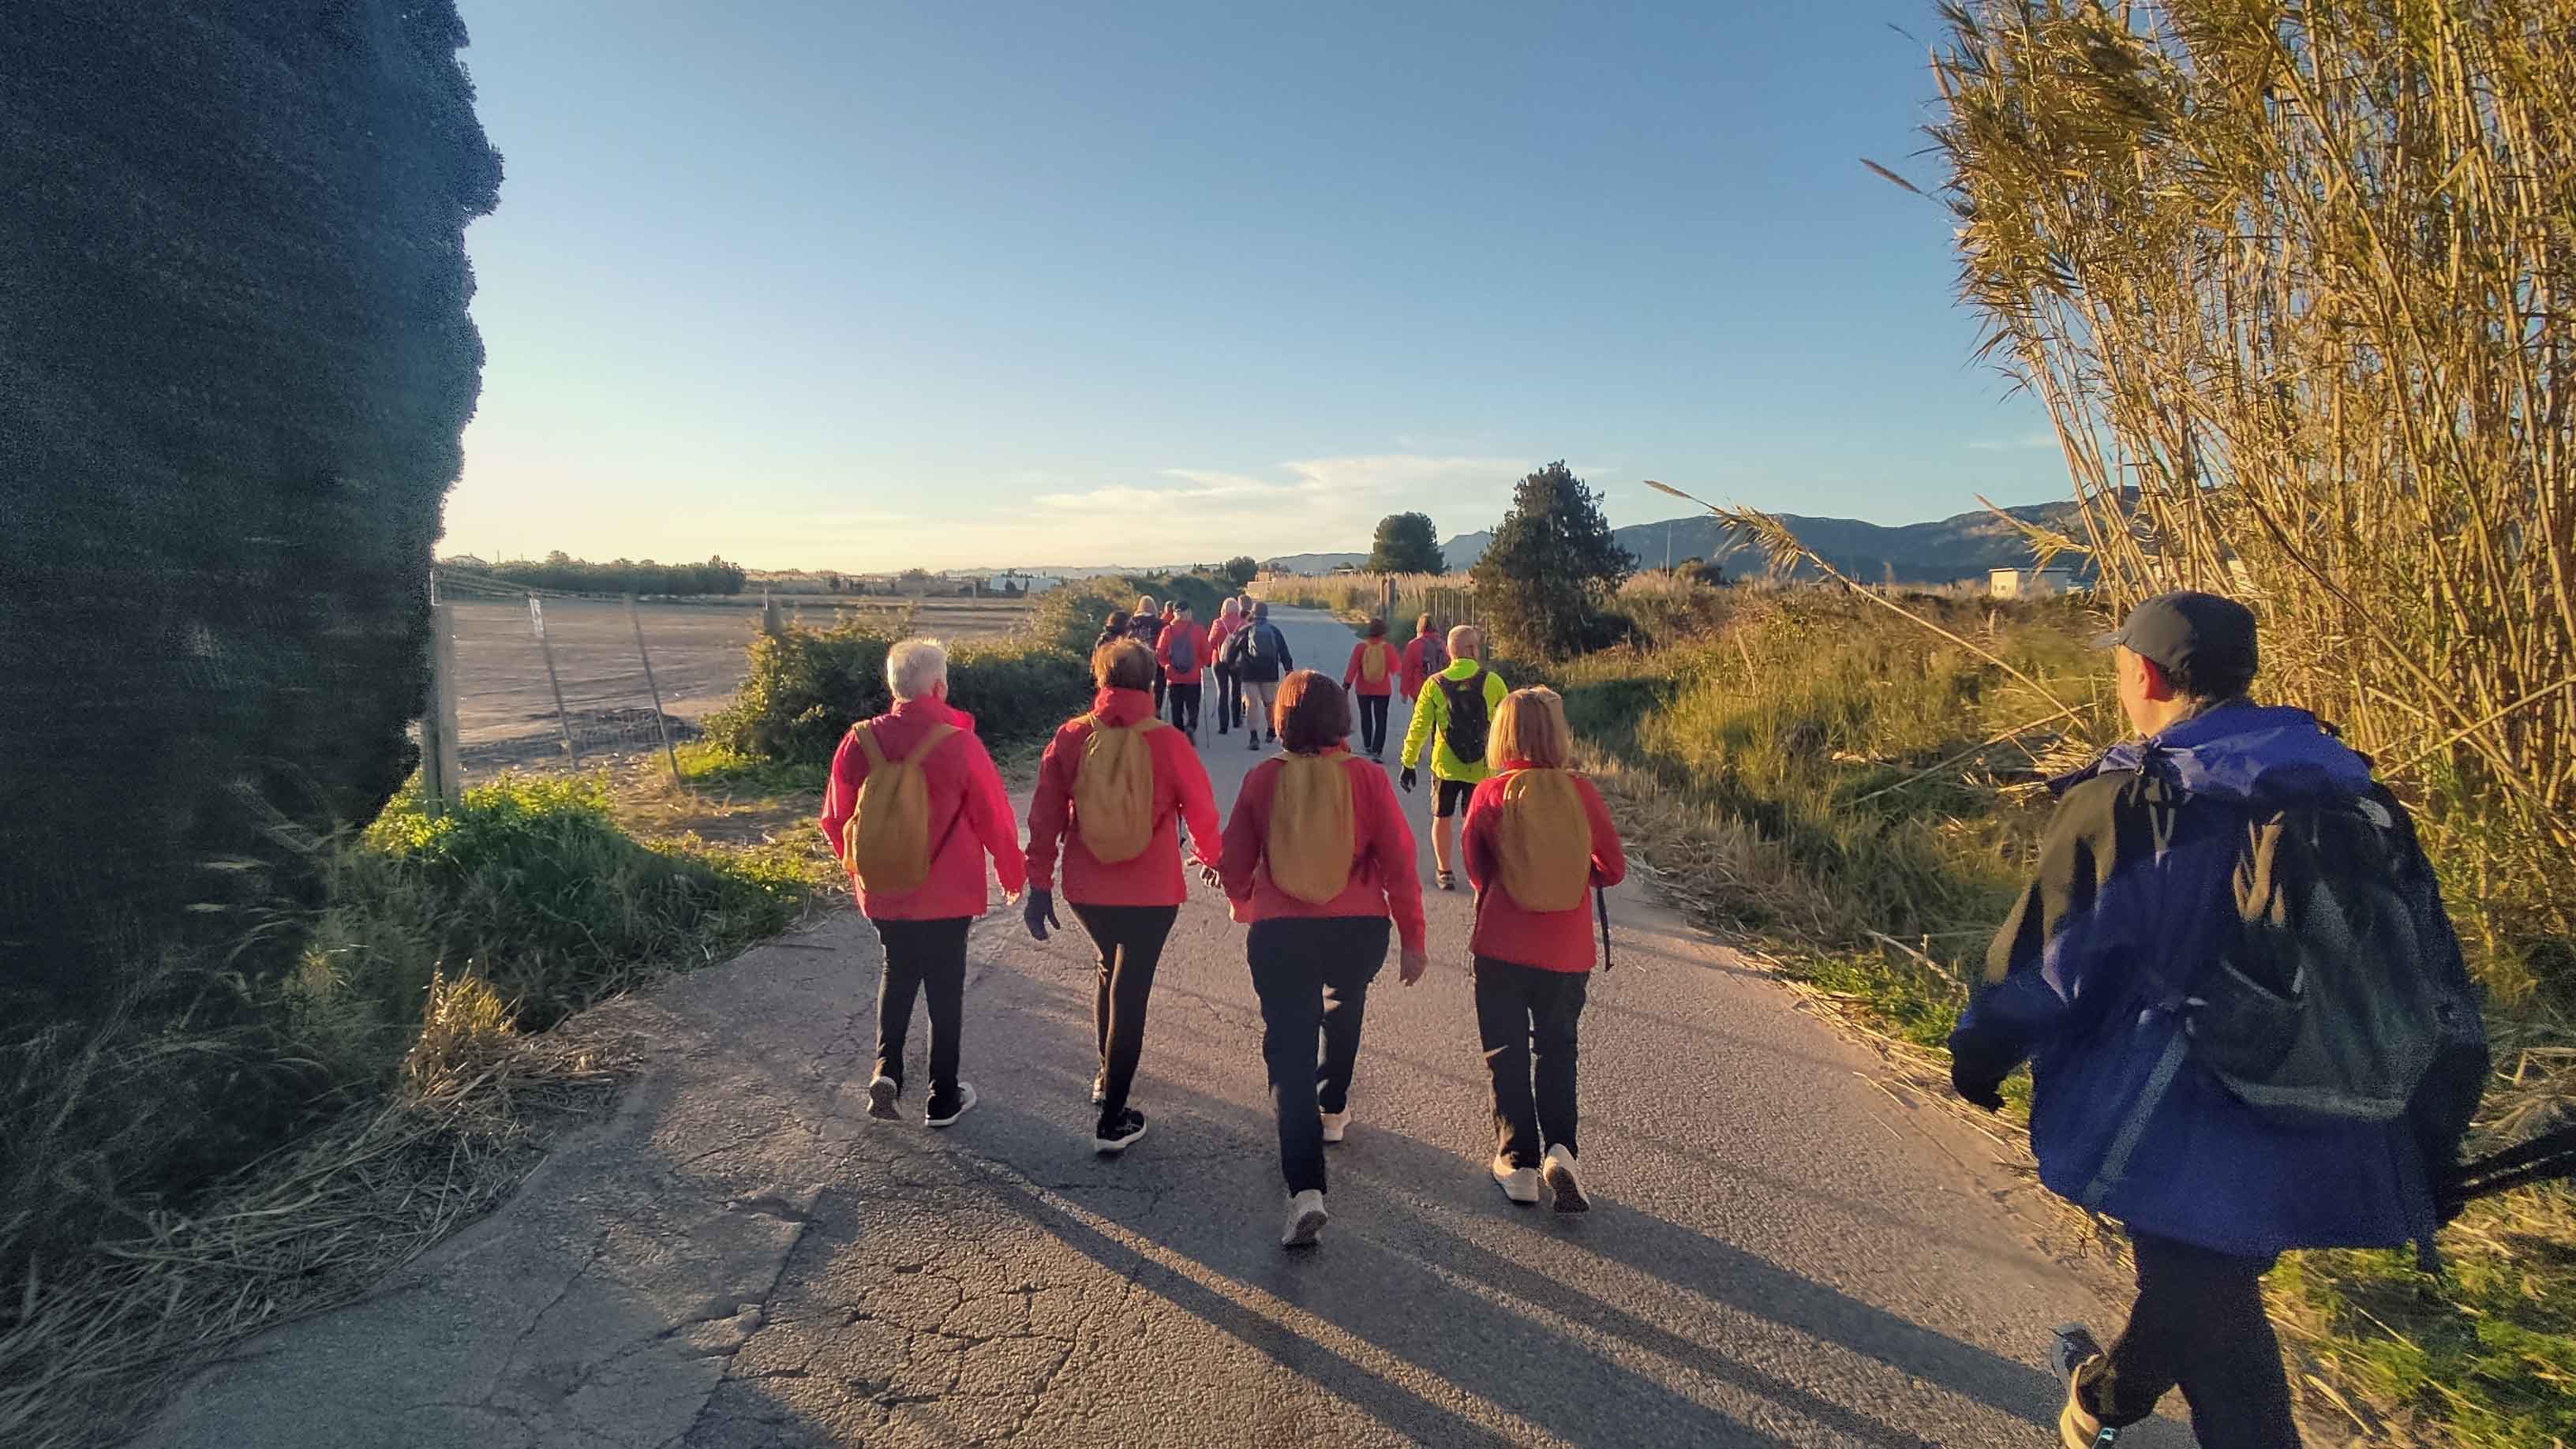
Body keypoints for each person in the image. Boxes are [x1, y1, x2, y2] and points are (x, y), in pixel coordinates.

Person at [1947, 592, 2486, 1449]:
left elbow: (2051, 960)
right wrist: (2439, 1120)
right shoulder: (2352, 788)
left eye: (2122, 666)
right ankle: (2102, 1400)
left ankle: (2102, 1402)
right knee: (2207, 1288)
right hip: (2341, 1104)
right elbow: (2432, 965)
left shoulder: (2134, 798)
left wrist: (1981, 1054)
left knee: (2210, 1304)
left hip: (2185, 1114)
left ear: (2147, 675)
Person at [1220, 672, 1428, 1247]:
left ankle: (1305, 1189)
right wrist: (1413, 939)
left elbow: (1234, 862)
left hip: (1281, 932)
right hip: (1359, 931)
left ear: (1282, 720)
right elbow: (1400, 863)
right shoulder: (1368, 778)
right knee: (1346, 1001)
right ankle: (1333, 1107)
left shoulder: (1263, 779)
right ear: (1342, 718)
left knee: (1288, 1052)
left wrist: (1243, 902)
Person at [819, 638, 1027, 1129]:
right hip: (947, 893)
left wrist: (861, 866)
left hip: (881, 889)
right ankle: (942, 1097)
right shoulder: (959, 743)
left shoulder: (859, 740)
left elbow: (834, 817)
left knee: (896, 972)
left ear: (895, 686)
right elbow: (995, 818)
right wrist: (1011, 872)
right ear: (938, 687)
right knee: (944, 989)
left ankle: (886, 1071)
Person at [1023, 640, 1221, 1155]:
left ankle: (1105, 1074)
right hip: (1152, 890)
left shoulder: (1070, 736)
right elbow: (1202, 811)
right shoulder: (1168, 742)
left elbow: (1044, 817)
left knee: (1108, 970)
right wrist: (1212, 859)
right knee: (1130, 991)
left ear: (1100, 681)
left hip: (1087, 888)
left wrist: (1039, 884)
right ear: (1152, 683)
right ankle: (1113, 1119)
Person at [1460, 687, 1625, 1212]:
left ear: (1502, 734)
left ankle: (1518, 1162)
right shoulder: (1582, 792)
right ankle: (1561, 1150)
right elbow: (1613, 868)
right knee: (1557, 1050)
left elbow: (1476, 867)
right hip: (1567, 950)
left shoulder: (1490, 793)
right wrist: (1573, 875)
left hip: (1501, 943)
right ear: (1558, 734)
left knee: (1505, 1053)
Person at [1397, 624, 1508, 891]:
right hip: (1481, 767)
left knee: (1442, 818)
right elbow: (1508, 725)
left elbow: (1419, 727)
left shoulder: (1434, 684)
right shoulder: (1493, 682)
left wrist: (1408, 762)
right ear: (1473, 650)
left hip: (1445, 766)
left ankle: (1444, 871)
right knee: (1476, 822)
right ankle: (1478, 873)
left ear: (1449, 652)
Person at [1222, 601, 1294, 750]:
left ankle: (1254, 737)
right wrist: (1289, 669)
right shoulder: (1274, 631)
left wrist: (1230, 665)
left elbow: (1232, 651)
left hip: (1250, 673)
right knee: (1270, 703)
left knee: (1252, 703)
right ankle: (1271, 731)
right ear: (1266, 614)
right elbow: (1284, 651)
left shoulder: (1245, 630)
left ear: (1252, 613)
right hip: (1270, 672)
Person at [1341, 617, 1401, 761]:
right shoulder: (1388, 649)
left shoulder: (1360, 648)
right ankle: (1377, 750)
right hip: (1383, 690)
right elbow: (1396, 669)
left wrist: (1347, 684)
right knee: (1381, 720)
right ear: (1383, 633)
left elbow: (1352, 668)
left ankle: (1367, 745)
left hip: (1363, 689)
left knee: (1366, 717)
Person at [1156, 601, 1210, 744]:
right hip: (1193, 676)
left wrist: (1167, 665)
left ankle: (1179, 735)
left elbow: (1160, 653)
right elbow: (1206, 653)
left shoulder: (1167, 631)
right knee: (1193, 705)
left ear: (1174, 613)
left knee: (1176, 707)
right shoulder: (1198, 630)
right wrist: (1201, 664)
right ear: (1189, 612)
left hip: (1174, 676)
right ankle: (1191, 726)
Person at [1207, 597, 1247, 738]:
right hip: (1237, 662)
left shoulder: (1218, 623)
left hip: (1219, 660)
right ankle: (1236, 720)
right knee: (1236, 690)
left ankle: (1223, 726)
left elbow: (1211, 642)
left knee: (1222, 691)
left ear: (1223, 609)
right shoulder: (1243, 623)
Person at [1128, 597, 1166, 717]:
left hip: (1136, 658)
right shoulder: (1160, 623)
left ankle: (1139, 709)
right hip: (1155, 657)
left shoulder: (1131, 622)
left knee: (1138, 684)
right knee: (1159, 684)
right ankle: (1157, 709)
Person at [1397, 613, 1447, 702]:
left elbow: (1407, 670)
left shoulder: (1414, 645)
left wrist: (1404, 693)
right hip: (1440, 690)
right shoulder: (1443, 645)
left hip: (1420, 691)